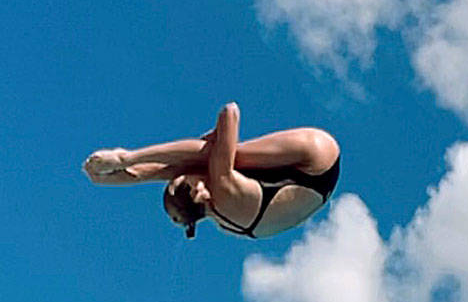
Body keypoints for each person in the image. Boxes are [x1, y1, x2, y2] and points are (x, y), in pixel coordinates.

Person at [84, 102, 341, 241]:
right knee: (212, 154)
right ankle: (127, 156)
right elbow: (231, 111)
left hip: (315, 189)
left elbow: (178, 174)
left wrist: (134, 175)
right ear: (198, 190)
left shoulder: (223, 222)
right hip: (317, 156)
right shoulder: (221, 186)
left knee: (212, 160)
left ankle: (122, 173)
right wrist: (219, 137)